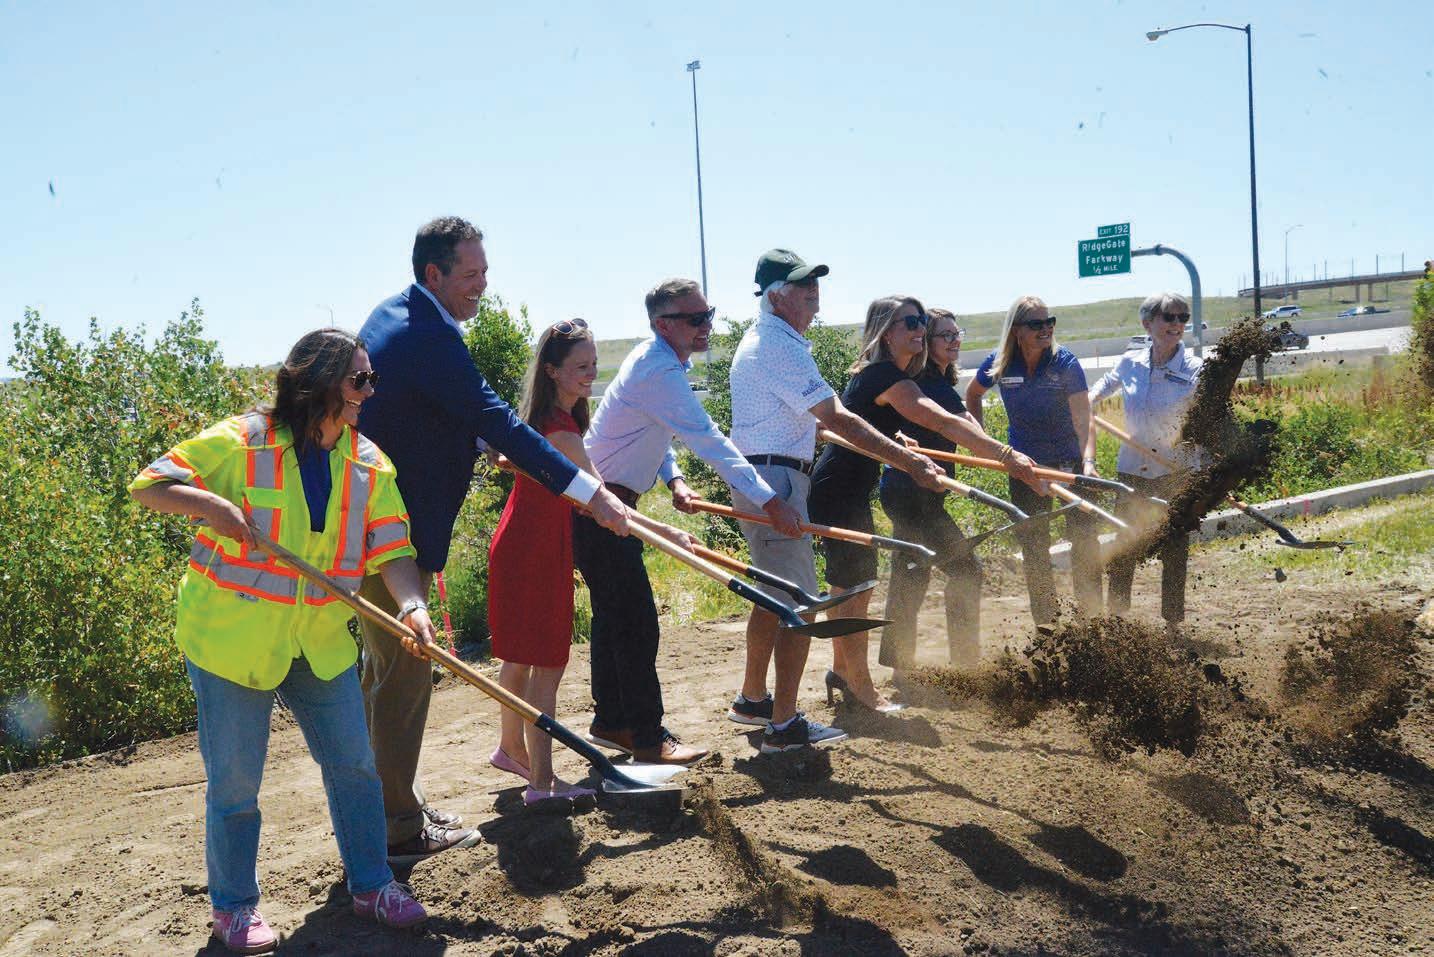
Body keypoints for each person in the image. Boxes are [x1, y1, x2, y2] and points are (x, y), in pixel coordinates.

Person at [129, 329, 434, 953]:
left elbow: (392, 549)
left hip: (318, 642)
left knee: (355, 765)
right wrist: (210, 507)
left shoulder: (369, 463)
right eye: (359, 380)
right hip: (232, 643)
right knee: (236, 784)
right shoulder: (241, 441)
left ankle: (373, 884)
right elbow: (149, 485)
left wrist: (412, 605)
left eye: (371, 379)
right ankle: (234, 907)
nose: (368, 392)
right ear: (317, 382)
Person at [356, 217, 630, 862]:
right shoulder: (423, 334)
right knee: (402, 679)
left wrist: (478, 441)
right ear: (435, 274)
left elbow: (440, 414)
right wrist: (592, 494)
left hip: (379, 525)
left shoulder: (398, 316)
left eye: (486, 271)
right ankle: (396, 827)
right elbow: (490, 414)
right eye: (472, 274)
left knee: (387, 673)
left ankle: (391, 807)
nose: (483, 285)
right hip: (393, 534)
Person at [576, 278, 805, 762]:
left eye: (709, 314)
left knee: (615, 620)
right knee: (636, 625)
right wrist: (769, 501)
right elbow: (708, 439)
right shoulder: (658, 369)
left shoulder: (656, 363)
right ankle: (647, 738)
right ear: (664, 324)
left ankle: (613, 721)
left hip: (605, 502)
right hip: (600, 505)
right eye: (695, 319)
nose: (707, 326)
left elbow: (654, 433)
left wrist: (675, 480)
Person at [729, 250, 946, 752]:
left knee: (775, 597)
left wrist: (895, 451)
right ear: (775, 296)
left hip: (771, 475)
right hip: (775, 479)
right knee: (801, 603)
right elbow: (837, 417)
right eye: (802, 285)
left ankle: (753, 699)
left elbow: (817, 424)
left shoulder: (770, 340)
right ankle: (784, 726)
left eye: (815, 283)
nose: (814, 292)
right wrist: (909, 463)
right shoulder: (778, 345)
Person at [809, 298, 1041, 709]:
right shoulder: (885, 375)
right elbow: (943, 421)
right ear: (886, 332)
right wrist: (1007, 455)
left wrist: (897, 439)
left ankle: (844, 673)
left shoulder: (891, 376)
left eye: (921, 322)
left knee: (855, 588)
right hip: (840, 488)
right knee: (855, 590)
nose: (919, 329)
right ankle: (862, 686)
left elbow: (871, 421)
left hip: (850, 487)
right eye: (911, 322)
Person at [487, 319, 607, 804]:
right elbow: (598, 498)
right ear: (553, 371)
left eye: (594, 364)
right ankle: (542, 782)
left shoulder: (540, 421)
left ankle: (511, 749)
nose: (591, 374)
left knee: (520, 657)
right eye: (581, 366)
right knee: (548, 666)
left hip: (522, 542)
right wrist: (648, 526)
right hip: (535, 549)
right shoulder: (561, 431)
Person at [880, 308, 1022, 677]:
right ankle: (963, 664)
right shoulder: (928, 383)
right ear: (927, 342)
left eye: (957, 333)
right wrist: (1008, 457)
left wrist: (1007, 457)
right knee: (964, 569)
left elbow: (970, 428)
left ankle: (902, 665)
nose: (955, 340)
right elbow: (965, 426)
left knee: (912, 573)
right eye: (945, 335)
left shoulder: (939, 380)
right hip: (910, 493)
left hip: (915, 493)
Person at [966, 295, 1101, 626]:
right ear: (1017, 330)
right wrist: (981, 443)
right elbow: (972, 394)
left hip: (1069, 465)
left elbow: (1084, 420)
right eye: (1036, 324)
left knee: (1085, 544)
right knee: (1035, 548)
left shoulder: (1064, 363)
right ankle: (1047, 625)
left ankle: (1093, 622)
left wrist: (1088, 462)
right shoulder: (999, 363)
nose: (1046, 329)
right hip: (1025, 468)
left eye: (1049, 322)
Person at [1089, 292, 1203, 625]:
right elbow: (1101, 388)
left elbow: (1206, 421)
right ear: (1147, 323)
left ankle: (1172, 621)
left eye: (1183, 318)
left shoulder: (1196, 369)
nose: (1177, 324)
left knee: (1174, 546)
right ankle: (1117, 617)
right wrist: (1086, 403)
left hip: (1175, 471)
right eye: (1169, 317)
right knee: (1125, 541)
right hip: (1132, 469)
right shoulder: (1130, 362)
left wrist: (1203, 468)